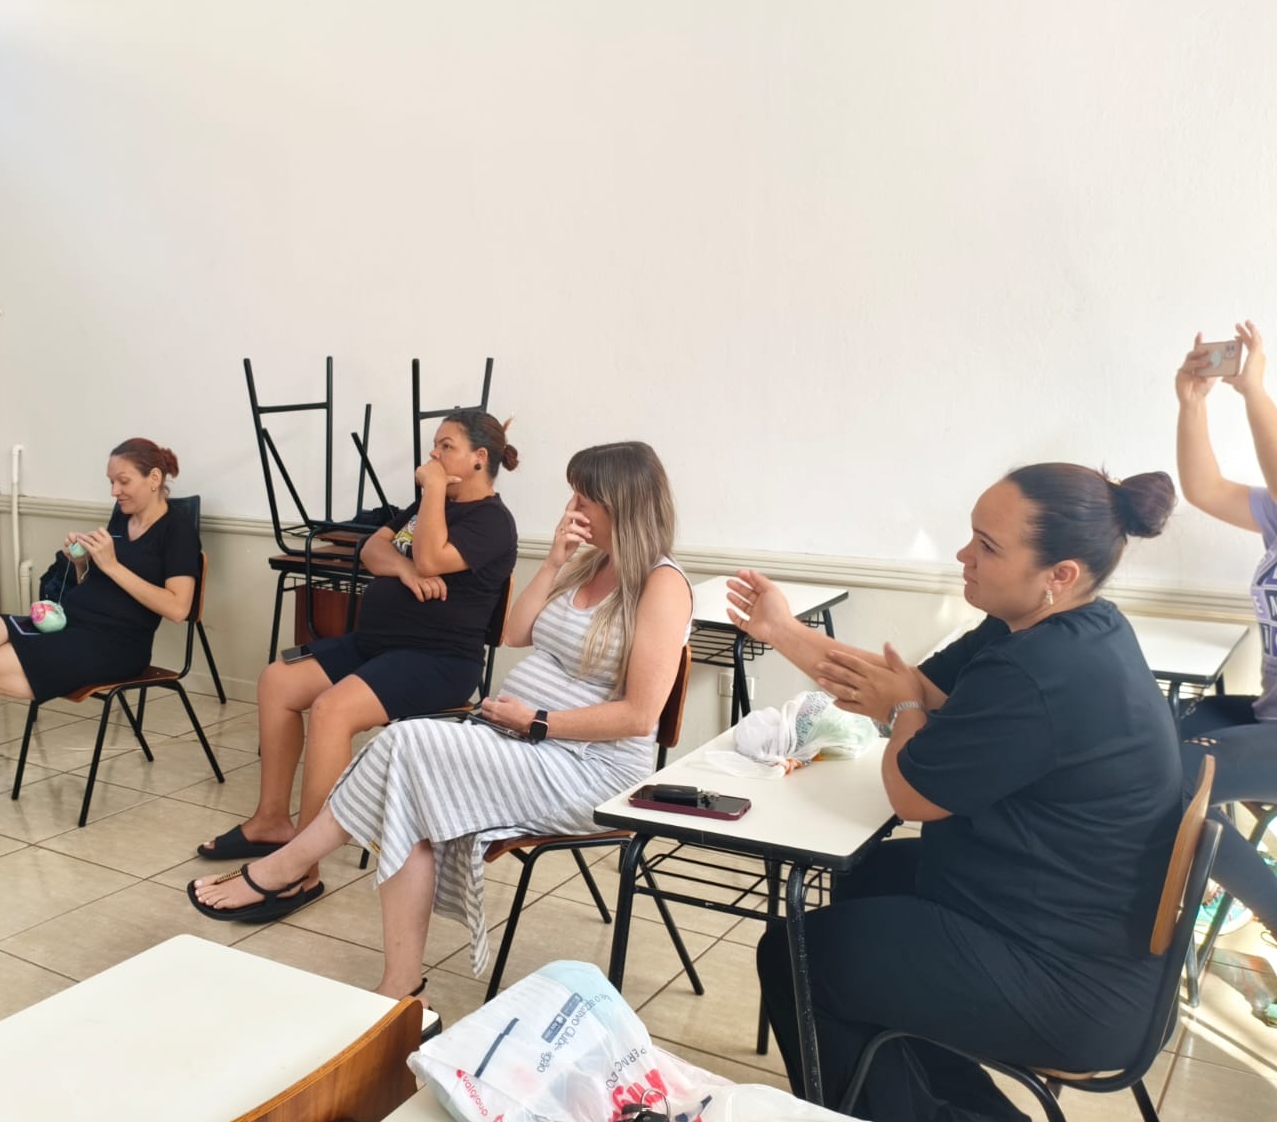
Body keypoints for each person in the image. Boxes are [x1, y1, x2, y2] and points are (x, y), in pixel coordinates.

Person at [729, 463, 1182, 1121]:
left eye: (988, 547)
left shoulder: (1042, 670)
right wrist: (782, 631)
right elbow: (906, 685)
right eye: (972, 535)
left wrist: (906, 708)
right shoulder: (1053, 627)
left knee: (795, 957)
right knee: (867, 876)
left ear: (1059, 574)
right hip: (1070, 923)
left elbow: (912, 792)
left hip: (1071, 982)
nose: (964, 555)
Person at [187, 441, 690, 1003]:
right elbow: (514, 633)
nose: (573, 507)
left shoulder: (662, 585)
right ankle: (400, 987)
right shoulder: (587, 563)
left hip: (590, 771)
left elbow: (639, 716)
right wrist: (553, 561)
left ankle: (289, 867)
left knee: (407, 742)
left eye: (585, 497)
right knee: (410, 789)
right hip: (523, 741)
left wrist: (537, 721)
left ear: (621, 503)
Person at [192, 409, 519, 916]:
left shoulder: (493, 522)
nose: (433, 455)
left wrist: (432, 494)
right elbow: (372, 549)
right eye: (434, 445)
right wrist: (405, 572)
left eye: (446, 446)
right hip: (376, 645)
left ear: (479, 458)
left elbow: (432, 558)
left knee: (331, 710)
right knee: (277, 681)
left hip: (437, 660)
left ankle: (301, 868)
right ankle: (271, 821)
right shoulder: (425, 505)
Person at [0, 438, 200, 852]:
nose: (115, 491)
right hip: (71, 624)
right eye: (111, 482)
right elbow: (99, 585)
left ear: (155, 478)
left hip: (114, 646)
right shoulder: (121, 515)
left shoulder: (178, 531)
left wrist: (111, 565)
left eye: (123, 481)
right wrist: (83, 564)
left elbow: (178, 608)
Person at [1175, 319, 1277, 942]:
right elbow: (1206, 489)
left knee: (1174, 779)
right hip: (1267, 716)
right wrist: (1192, 405)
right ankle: (1219, 876)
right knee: (1147, 742)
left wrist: (1254, 390)